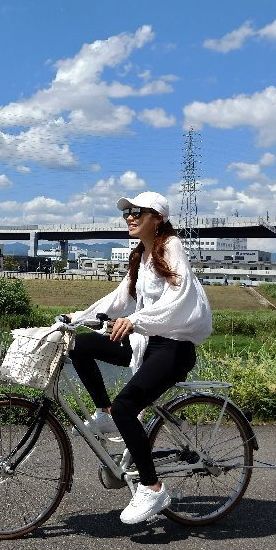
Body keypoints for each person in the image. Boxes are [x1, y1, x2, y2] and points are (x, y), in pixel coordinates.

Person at [65, 191, 212, 525]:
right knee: (80, 346)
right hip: (146, 341)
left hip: (173, 348)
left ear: (157, 217)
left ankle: (152, 487)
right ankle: (105, 413)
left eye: (137, 212)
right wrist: (78, 318)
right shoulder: (140, 255)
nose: (130, 217)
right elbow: (119, 298)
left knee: (128, 407)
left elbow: (180, 297)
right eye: (126, 213)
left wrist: (135, 321)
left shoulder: (171, 246)